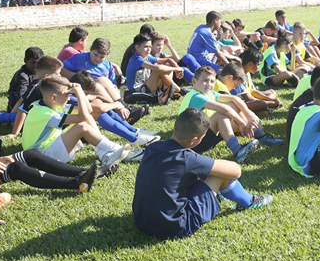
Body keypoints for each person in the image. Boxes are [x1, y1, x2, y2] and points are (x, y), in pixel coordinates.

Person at [132, 108, 273, 239]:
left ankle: (227, 198)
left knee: (198, 175)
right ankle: (249, 201)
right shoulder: (187, 158)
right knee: (220, 175)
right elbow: (236, 171)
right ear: (194, 140)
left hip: (141, 220)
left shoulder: (153, 148)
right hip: (174, 227)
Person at [22, 75, 131, 166]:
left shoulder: (50, 104)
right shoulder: (44, 113)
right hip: (40, 157)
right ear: (54, 97)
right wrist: (78, 93)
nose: (69, 98)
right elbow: (82, 117)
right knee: (81, 126)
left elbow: (88, 110)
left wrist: (81, 92)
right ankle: (116, 149)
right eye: (67, 95)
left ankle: (105, 154)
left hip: (47, 149)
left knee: (87, 118)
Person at [178, 66, 261, 164]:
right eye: (205, 80)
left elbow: (235, 99)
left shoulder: (209, 93)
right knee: (220, 115)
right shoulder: (195, 96)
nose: (209, 84)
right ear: (194, 81)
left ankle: (260, 135)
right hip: (193, 142)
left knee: (234, 105)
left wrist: (248, 116)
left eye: (212, 82)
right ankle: (238, 151)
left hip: (204, 135)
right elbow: (225, 110)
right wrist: (242, 123)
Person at [7, 47, 44, 112]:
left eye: (39, 63)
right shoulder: (23, 76)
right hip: (17, 107)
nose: (36, 66)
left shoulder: (40, 71)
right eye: (33, 63)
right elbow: (22, 97)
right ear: (25, 61)